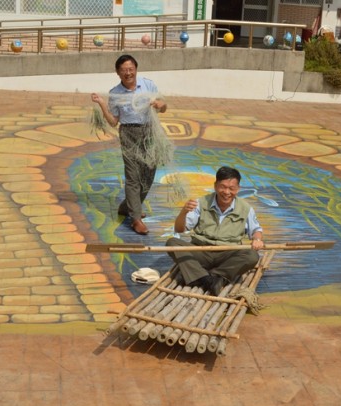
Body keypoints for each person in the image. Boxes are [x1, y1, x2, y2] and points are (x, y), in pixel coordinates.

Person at [90, 54, 167, 235]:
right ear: (118, 72)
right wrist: (102, 103)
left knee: (148, 175)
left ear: (136, 70)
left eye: (131, 69)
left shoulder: (148, 85)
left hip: (149, 132)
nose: (128, 73)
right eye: (124, 70)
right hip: (129, 133)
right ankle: (136, 219)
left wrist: (159, 104)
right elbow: (113, 121)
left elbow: (164, 106)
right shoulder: (115, 93)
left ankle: (128, 207)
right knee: (133, 177)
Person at [166, 166, 265, 296]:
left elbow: (256, 230)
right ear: (215, 186)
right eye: (222, 187)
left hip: (228, 254)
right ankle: (207, 280)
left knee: (252, 256)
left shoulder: (246, 208)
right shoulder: (200, 203)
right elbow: (180, 229)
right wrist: (183, 212)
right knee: (172, 243)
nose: (226, 192)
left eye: (231, 188)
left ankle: (214, 275)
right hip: (201, 251)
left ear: (238, 189)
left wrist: (257, 239)